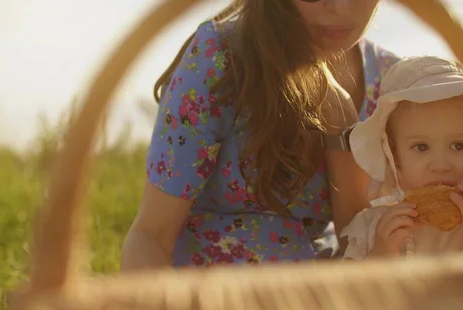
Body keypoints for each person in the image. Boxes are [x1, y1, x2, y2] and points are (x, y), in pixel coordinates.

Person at [121, 0, 401, 270]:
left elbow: (361, 248)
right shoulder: (220, 57)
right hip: (203, 301)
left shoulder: (397, 86)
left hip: (316, 300)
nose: (341, 6)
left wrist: (341, 131)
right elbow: (151, 235)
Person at [340, 55, 463, 261]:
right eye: (421, 147)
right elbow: (346, 291)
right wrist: (380, 255)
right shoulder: (373, 227)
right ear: (395, 155)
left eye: (459, 146)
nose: (441, 165)